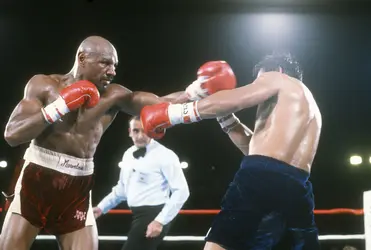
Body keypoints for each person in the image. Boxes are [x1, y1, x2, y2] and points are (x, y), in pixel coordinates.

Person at [0, 35, 236, 250]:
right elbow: (12, 135)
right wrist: (58, 107)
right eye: (105, 63)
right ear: (82, 58)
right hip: (38, 178)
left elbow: (158, 103)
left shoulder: (114, 96)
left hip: (78, 186)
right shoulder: (44, 85)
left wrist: (197, 90)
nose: (112, 70)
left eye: (114, 65)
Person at [140, 52, 322, 249]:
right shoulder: (310, 109)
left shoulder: (277, 77)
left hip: (260, 179)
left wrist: (171, 113)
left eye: (259, 80)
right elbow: (252, 147)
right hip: (298, 189)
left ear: (278, 71)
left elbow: (234, 100)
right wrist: (224, 117)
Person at [93, 116, 189, 250]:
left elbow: (182, 191)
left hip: (154, 214)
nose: (140, 136)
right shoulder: (128, 154)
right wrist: (101, 208)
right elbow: (122, 189)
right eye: (136, 131)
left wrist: (159, 221)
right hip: (138, 215)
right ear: (129, 132)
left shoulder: (165, 155)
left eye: (144, 131)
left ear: (152, 131)